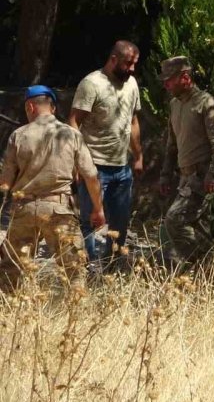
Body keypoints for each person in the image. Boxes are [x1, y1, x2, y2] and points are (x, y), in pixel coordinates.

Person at [0, 86, 107, 293]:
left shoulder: (18, 135)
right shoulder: (71, 135)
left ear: (30, 106)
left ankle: (10, 317)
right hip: (59, 210)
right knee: (74, 269)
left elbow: (5, 182)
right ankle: (76, 317)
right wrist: (98, 209)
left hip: (24, 210)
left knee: (11, 269)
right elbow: (91, 176)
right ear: (53, 108)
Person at [69, 40, 143, 265]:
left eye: (134, 64)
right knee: (91, 222)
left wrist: (138, 155)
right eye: (128, 63)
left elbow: (132, 120)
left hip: (122, 168)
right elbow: (73, 121)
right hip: (95, 168)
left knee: (120, 223)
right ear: (113, 59)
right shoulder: (91, 84)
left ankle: (114, 265)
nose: (132, 69)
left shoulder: (132, 84)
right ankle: (89, 267)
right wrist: (78, 163)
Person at [156, 56, 214, 272]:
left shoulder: (205, 103)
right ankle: (208, 276)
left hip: (202, 176)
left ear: (185, 77)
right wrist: (165, 174)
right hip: (185, 176)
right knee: (200, 228)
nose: (166, 84)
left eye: (170, 79)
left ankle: (201, 265)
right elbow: (172, 144)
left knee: (175, 219)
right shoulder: (175, 104)